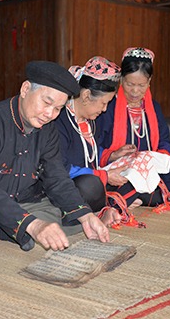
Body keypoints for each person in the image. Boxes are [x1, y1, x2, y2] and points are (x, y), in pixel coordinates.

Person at [0, 60, 110, 252]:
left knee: (67, 217)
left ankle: (6, 227)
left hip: (23, 201)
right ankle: (6, 227)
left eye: (58, 108)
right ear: (25, 89)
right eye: (47, 102)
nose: (50, 114)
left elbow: (56, 177)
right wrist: (33, 225)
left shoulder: (48, 129)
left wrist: (85, 215)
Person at [98, 47, 170, 213]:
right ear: (121, 80)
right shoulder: (107, 107)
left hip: (150, 171)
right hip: (118, 171)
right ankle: (132, 196)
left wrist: (154, 158)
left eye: (141, 85)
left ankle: (134, 197)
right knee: (146, 190)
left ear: (150, 81)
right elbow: (93, 147)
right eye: (129, 84)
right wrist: (113, 154)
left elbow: (164, 142)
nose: (135, 91)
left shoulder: (154, 108)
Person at [55, 56, 137, 228]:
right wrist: (104, 176)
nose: (105, 109)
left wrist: (113, 156)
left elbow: (89, 154)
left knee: (130, 180)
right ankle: (101, 210)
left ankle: (102, 209)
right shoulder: (59, 120)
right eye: (104, 103)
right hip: (63, 185)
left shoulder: (92, 121)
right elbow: (60, 167)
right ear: (86, 95)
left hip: (91, 182)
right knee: (90, 186)